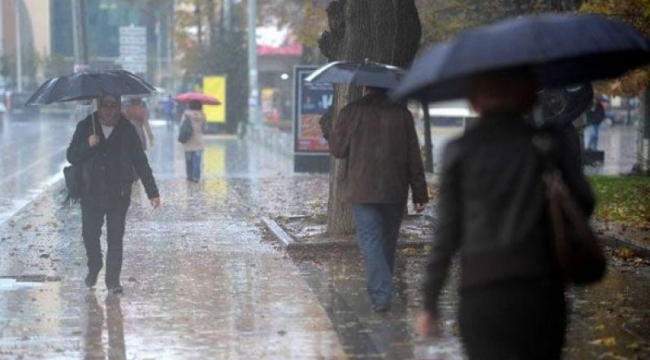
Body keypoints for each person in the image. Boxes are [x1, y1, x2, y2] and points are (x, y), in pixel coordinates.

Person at [416, 68, 595, 359]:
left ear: (475, 101)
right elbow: (584, 202)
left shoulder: (461, 150)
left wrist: (430, 302)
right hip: (541, 288)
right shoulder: (547, 144)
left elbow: (446, 234)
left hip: (482, 292)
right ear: (528, 97)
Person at [329, 86, 429, 313]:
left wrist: (333, 128)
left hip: (362, 189)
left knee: (370, 240)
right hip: (394, 189)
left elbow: (338, 150)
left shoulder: (351, 111)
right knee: (387, 242)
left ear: (365, 87)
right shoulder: (402, 113)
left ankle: (382, 294)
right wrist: (420, 192)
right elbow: (414, 155)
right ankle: (382, 291)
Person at [67, 95, 161, 295]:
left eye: (113, 106)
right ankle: (95, 265)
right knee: (90, 235)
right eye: (105, 106)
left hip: (118, 194)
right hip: (90, 192)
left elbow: (140, 162)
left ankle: (113, 281)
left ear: (118, 106)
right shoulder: (86, 126)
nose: (109, 110)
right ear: (99, 106)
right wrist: (89, 145)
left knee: (115, 238)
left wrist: (152, 192)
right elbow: (72, 155)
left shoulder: (126, 129)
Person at [181, 100, 207, 182]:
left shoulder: (186, 115)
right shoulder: (203, 115)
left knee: (189, 161)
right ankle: (196, 176)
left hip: (188, 141)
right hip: (198, 141)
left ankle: (189, 176)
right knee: (197, 160)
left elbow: (182, 125)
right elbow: (204, 128)